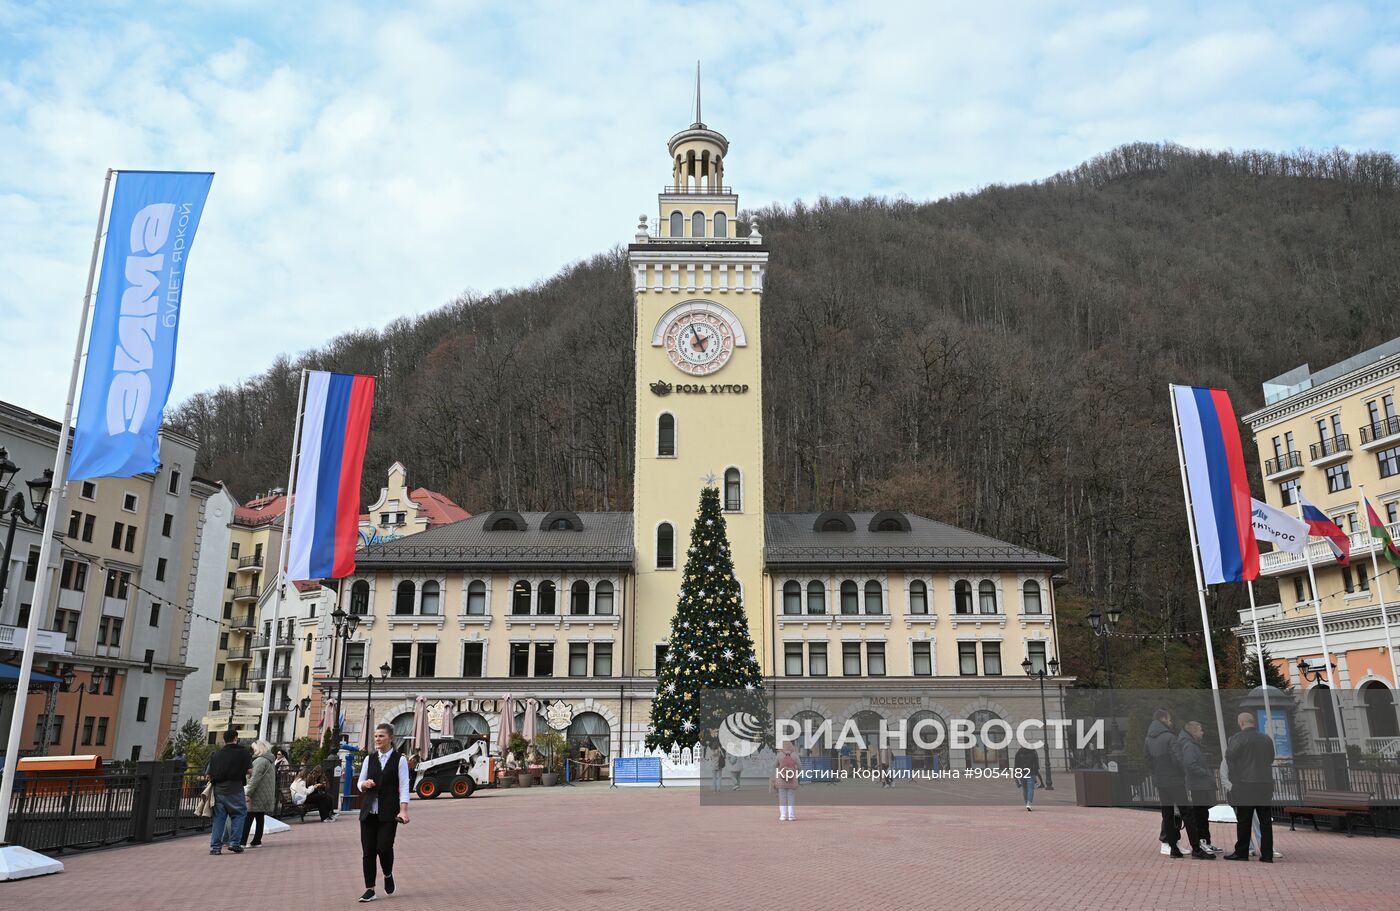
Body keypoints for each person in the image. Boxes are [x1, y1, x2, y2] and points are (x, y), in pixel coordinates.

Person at [358, 722, 411, 903]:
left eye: (381, 736)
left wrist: (403, 810)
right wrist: (364, 784)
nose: (377, 739)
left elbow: (404, 786)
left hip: (388, 812)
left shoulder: (399, 759)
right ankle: (370, 889)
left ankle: (388, 874)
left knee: (384, 848)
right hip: (368, 812)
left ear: (391, 738)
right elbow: (360, 782)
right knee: (368, 851)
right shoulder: (369, 759)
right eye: (376, 736)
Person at [1224, 712, 1275, 863]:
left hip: (1245, 784)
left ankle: (1242, 852)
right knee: (1265, 821)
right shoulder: (1266, 738)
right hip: (1265, 783)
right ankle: (1267, 854)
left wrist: (1235, 779)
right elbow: (1271, 758)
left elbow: (1230, 758)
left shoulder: (1237, 738)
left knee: (1244, 820)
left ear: (1241, 723)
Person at [1145, 708, 1193, 858]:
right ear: (1163, 719)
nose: (1171, 722)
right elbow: (1178, 759)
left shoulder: (1148, 739)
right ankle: (1195, 847)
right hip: (1174, 780)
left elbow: (1147, 760)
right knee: (1185, 812)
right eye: (1169, 719)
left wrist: (1156, 774)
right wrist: (1182, 773)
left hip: (1161, 781)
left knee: (1167, 813)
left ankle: (1172, 846)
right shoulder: (1170, 737)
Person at [1174, 722, 1218, 859]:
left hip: (1199, 784)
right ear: (1193, 732)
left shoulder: (1191, 745)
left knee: (1202, 814)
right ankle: (1203, 842)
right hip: (1198, 785)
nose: (1202, 733)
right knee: (1200, 815)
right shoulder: (1190, 746)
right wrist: (1205, 773)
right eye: (1200, 730)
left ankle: (1206, 842)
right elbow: (1190, 764)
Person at [206, 728, 252, 855]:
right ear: (236, 738)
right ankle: (234, 843)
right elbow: (250, 771)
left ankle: (216, 847)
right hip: (235, 789)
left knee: (219, 818)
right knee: (239, 814)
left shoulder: (216, 754)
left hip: (219, 790)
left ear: (224, 740)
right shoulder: (243, 753)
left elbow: (208, 775)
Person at [241, 740, 276, 848]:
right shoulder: (270, 761)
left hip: (257, 793)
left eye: (254, 748)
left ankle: (242, 841)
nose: (253, 751)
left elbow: (254, 778)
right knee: (260, 816)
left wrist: (248, 792)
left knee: (248, 817)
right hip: (265, 793)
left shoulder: (260, 761)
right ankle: (257, 840)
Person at [773, 741, 801, 821]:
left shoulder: (779, 755)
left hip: (781, 779)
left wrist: (780, 768)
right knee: (791, 797)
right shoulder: (795, 755)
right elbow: (799, 766)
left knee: (782, 798)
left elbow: (774, 765)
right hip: (792, 779)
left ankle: (783, 815)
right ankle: (791, 815)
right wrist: (795, 771)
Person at [1013, 745, 1041, 810]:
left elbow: (1016, 764)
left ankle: (1027, 803)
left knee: (1024, 789)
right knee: (1030, 788)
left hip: (1022, 773)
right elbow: (1036, 764)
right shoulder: (1032, 753)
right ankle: (1029, 803)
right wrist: (1036, 773)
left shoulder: (1018, 753)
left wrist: (1015, 773)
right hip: (1030, 772)